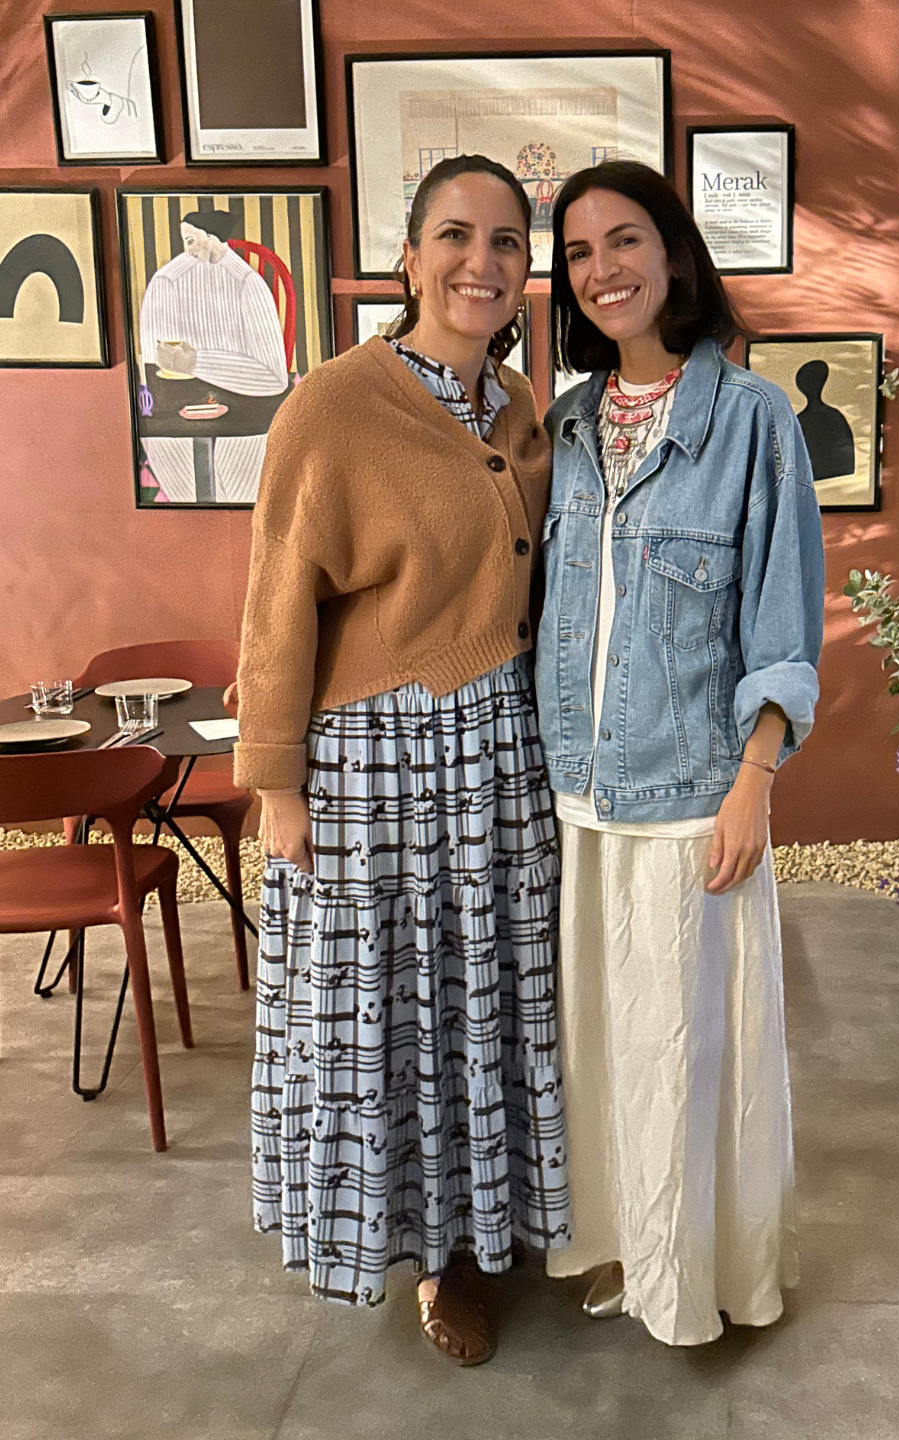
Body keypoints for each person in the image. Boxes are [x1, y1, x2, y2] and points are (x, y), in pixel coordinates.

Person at [234, 154, 569, 1366]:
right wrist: (278, 783)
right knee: (395, 1018)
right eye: (456, 236)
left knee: (493, 1004)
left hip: (505, 759)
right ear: (410, 258)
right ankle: (432, 1261)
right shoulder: (332, 405)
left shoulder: (523, 408)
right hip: (375, 766)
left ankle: (492, 1230)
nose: (482, 261)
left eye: (506, 241)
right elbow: (277, 602)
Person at [535, 160, 825, 1347]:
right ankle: (621, 1247)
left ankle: (700, 1276)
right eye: (578, 252)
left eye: (625, 240)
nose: (602, 268)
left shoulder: (752, 421)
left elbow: (783, 630)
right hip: (577, 792)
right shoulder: (563, 423)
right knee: (603, 1049)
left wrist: (755, 781)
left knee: (690, 1053)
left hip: (693, 794)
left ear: (674, 254)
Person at [139, 209, 289, 503]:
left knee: (238, 493)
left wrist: (197, 362)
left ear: (211, 237)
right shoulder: (167, 280)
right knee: (177, 466)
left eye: (191, 241)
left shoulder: (248, 283)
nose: (188, 250)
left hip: (248, 409)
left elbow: (274, 378)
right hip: (177, 408)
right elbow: (154, 364)